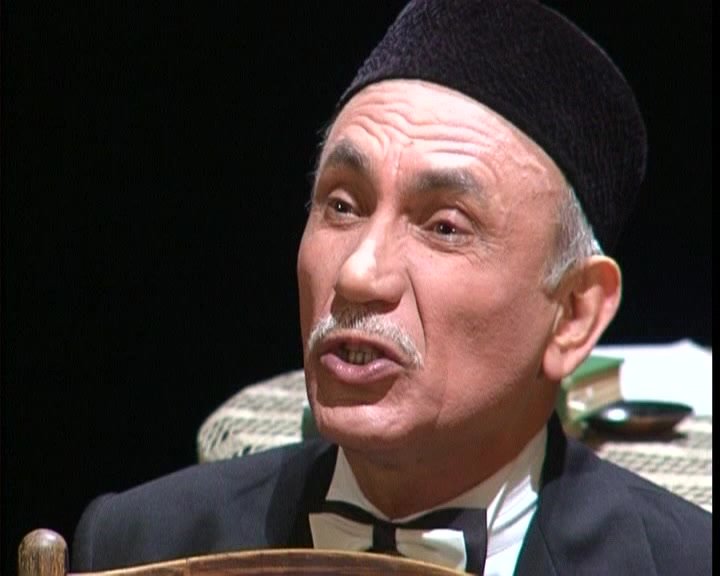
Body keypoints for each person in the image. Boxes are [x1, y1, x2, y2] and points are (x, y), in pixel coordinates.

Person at [71, 1, 711, 574]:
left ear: (573, 313)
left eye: (444, 227)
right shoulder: (143, 546)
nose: (358, 273)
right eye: (342, 206)